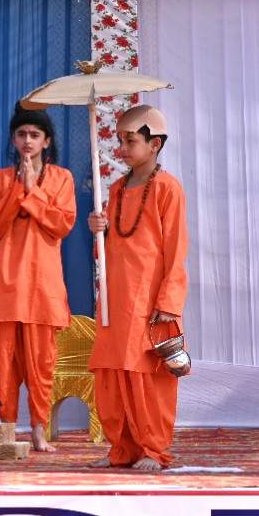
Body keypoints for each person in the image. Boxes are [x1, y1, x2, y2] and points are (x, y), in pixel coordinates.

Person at [85, 104, 188, 471]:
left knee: (146, 375)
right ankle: (122, 449)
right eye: (120, 141)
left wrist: (169, 302)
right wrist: (99, 229)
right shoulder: (115, 188)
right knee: (113, 372)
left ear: (154, 144)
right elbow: (113, 245)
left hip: (149, 298)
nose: (122, 149)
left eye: (130, 141)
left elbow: (176, 248)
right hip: (116, 296)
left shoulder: (167, 188)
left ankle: (153, 449)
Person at [0, 105, 76, 452]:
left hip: (41, 285)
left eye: (35, 135)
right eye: (21, 134)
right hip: (4, 285)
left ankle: (38, 429)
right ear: (13, 139)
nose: (27, 140)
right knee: (3, 364)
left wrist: (33, 190)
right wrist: (19, 188)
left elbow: (61, 224)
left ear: (47, 141)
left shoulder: (62, 179)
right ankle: (7, 428)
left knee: (42, 364)